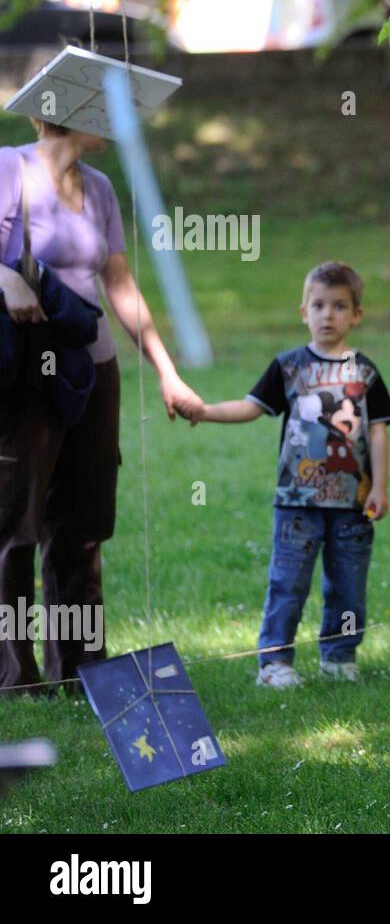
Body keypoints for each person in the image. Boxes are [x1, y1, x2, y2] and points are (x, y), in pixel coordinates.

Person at [0, 121, 203, 694]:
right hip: (24, 374)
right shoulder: (9, 168)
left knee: (84, 526)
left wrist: (168, 372)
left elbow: (119, 282)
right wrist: (4, 279)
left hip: (93, 371)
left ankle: (82, 670)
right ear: (67, 111)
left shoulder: (100, 188)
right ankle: (13, 675)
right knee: (14, 526)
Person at [191, 262, 390, 687]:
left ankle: (339, 657)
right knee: (287, 584)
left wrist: (379, 486)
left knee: (349, 585)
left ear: (356, 315)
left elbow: (377, 433)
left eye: (339, 306)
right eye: (318, 305)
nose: (328, 315)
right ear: (303, 311)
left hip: (353, 505)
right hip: (296, 503)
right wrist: (205, 411)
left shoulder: (366, 373)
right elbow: (250, 408)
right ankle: (274, 663)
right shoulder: (288, 367)